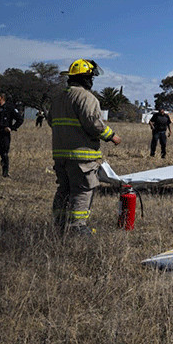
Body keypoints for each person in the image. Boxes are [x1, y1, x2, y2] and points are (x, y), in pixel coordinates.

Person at [47, 59, 121, 235]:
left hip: (60, 155)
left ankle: (59, 225)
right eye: (91, 77)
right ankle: (77, 228)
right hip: (81, 156)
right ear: (85, 78)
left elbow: (51, 121)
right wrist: (112, 136)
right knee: (82, 190)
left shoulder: (58, 98)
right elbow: (94, 124)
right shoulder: (86, 98)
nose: (92, 81)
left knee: (64, 189)